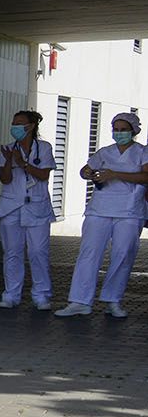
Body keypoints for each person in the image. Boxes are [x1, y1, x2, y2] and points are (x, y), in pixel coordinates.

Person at [55, 111, 148, 319]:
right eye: (116, 129)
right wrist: (87, 173)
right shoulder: (105, 152)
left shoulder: (142, 152)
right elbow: (85, 170)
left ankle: (113, 300)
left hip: (129, 211)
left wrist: (114, 174)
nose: (119, 133)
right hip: (99, 209)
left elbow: (145, 176)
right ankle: (79, 301)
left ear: (133, 131)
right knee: (88, 253)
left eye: (123, 129)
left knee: (123, 254)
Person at [0, 109, 56, 310]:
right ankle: (11, 295)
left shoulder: (44, 148)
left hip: (37, 207)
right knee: (12, 252)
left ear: (30, 126)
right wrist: (9, 161)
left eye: (19, 123)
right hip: (11, 207)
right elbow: (5, 179)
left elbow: (43, 175)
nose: (15, 127)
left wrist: (22, 163)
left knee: (38, 252)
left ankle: (41, 295)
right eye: (13, 123)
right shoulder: (7, 148)